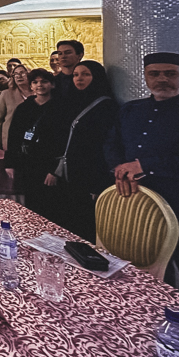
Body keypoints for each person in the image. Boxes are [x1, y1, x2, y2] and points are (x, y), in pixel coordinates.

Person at [104, 52, 179, 313]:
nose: (162, 79)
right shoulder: (130, 110)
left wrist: (146, 165)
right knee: (148, 280)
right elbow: (112, 145)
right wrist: (119, 169)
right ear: (145, 76)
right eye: (154, 74)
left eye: (170, 74)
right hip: (140, 209)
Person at [51, 60, 117, 243]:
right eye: (75, 75)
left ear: (96, 77)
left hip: (91, 175)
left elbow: (106, 145)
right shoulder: (70, 102)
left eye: (86, 74)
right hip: (70, 173)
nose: (79, 78)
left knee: (87, 225)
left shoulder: (106, 107)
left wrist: (98, 182)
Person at [4, 69, 64, 227]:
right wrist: (10, 162)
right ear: (31, 86)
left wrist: (55, 170)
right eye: (35, 82)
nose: (40, 85)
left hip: (49, 164)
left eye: (44, 81)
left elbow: (63, 141)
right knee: (31, 203)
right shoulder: (24, 108)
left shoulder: (60, 108)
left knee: (51, 205)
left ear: (52, 84)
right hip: (28, 163)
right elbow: (14, 136)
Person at [0, 64, 31, 150]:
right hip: (11, 140)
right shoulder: (6, 94)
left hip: (32, 140)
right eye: (15, 74)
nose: (19, 76)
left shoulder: (38, 93)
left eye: (22, 73)